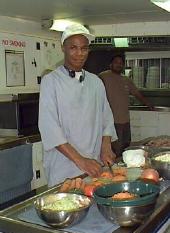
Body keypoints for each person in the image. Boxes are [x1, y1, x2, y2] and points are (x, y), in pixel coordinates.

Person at [39, 24, 117, 187]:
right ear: (63, 48)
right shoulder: (51, 81)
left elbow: (106, 117)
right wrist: (81, 161)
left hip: (94, 164)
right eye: (73, 48)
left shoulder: (96, 82)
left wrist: (106, 145)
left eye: (84, 48)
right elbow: (50, 128)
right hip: (64, 167)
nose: (79, 53)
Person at [99, 54, 154, 157]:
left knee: (126, 147)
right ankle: (114, 170)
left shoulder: (126, 79)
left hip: (125, 121)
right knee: (115, 149)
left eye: (121, 63)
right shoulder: (103, 76)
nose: (118, 65)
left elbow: (137, 94)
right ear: (111, 64)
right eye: (116, 62)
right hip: (111, 122)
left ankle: (123, 169)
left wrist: (148, 104)